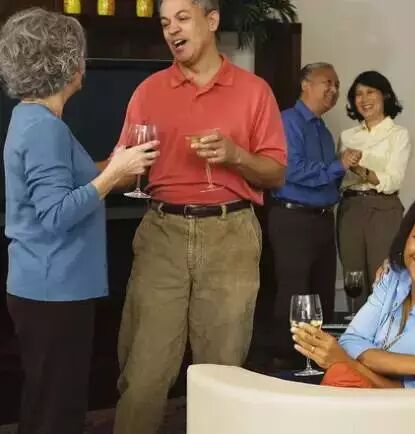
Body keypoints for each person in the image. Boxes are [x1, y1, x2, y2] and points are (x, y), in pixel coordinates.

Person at [112, 0, 287, 433]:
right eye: (164, 23)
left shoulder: (254, 91)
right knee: (143, 373)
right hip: (161, 234)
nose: (172, 30)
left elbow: (276, 173)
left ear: (211, 21)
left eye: (182, 19)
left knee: (222, 375)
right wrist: (93, 172)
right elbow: (124, 170)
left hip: (231, 235)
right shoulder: (148, 91)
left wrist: (235, 155)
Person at [0, 8, 158, 434]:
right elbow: (55, 214)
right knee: (59, 411)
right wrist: (113, 173)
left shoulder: (28, 116)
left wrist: (115, 163)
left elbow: (63, 184)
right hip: (56, 288)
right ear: (66, 63)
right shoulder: (45, 129)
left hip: (41, 284)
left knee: (42, 403)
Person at [291, 193, 415, 388]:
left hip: (404, 406)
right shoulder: (395, 276)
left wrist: (348, 362)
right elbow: (350, 341)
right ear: (406, 240)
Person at [266, 62, 361, 369]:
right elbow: (291, 170)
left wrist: (350, 173)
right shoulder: (287, 121)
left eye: (337, 85)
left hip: (322, 219)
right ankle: (287, 362)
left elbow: (326, 178)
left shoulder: (323, 130)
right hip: (293, 219)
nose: (333, 90)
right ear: (305, 84)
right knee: (294, 292)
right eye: (327, 83)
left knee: (321, 294)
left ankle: (316, 360)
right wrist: (338, 165)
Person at [337, 70, 411, 311]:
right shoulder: (347, 136)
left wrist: (360, 169)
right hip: (350, 208)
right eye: (358, 94)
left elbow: (393, 180)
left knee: (384, 276)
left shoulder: (398, 134)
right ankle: (356, 331)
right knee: (353, 277)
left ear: (385, 96)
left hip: (383, 208)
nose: (364, 99)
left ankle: (386, 332)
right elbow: (337, 177)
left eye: (370, 92)